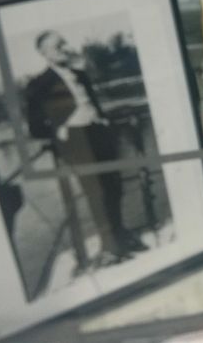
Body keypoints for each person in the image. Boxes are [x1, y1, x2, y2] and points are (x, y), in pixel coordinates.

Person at [26, 30, 146, 267]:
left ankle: (120, 234)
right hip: (75, 139)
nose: (64, 48)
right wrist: (60, 129)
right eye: (58, 46)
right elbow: (35, 127)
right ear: (44, 53)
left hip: (98, 131)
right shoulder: (39, 84)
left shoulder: (80, 74)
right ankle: (110, 248)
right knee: (96, 192)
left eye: (64, 43)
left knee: (114, 186)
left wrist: (102, 119)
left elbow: (92, 103)